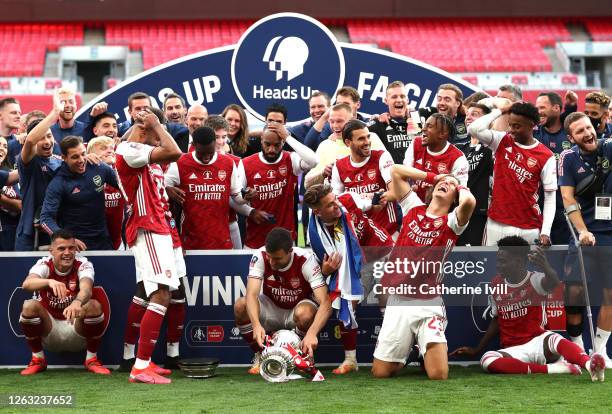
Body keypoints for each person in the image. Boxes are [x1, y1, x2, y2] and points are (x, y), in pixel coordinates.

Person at [371, 164, 476, 379]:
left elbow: (470, 202)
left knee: (438, 375)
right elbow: (396, 172)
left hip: (428, 302)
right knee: (380, 373)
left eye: (451, 186)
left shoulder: (453, 222)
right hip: (398, 300)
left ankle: (422, 348)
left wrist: (459, 184)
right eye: (442, 183)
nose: (446, 184)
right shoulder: (413, 208)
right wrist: (436, 176)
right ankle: (412, 350)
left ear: (455, 197)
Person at [451, 236, 605, 381]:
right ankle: (555, 369)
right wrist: (477, 349)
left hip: (539, 341)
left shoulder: (535, 279)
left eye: (503, 261)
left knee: (556, 339)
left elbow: (553, 282)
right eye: (498, 261)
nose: (498, 266)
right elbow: (497, 320)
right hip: (514, 350)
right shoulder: (496, 285)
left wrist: (545, 266)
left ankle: (589, 364)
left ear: (518, 261)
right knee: (487, 360)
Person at [115, 107, 182, 384]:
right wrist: (155, 124)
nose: (157, 136)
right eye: (151, 130)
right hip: (147, 228)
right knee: (161, 294)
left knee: (157, 292)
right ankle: (140, 366)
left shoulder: (143, 154)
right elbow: (175, 151)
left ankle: (144, 361)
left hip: (159, 228)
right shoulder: (129, 150)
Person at [304, 183, 393, 374]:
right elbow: (323, 270)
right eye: (329, 205)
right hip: (354, 268)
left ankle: (392, 352)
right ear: (318, 212)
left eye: (335, 199)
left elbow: (369, 202)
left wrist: (376, 199)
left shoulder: (347, 200)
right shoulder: (315, 236)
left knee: (386, 292)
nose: (337, 205)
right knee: (345, 302)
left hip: (383, 252)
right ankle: (350, 360)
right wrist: (326, 270)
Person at [234, 228, 332, 374]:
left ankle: (297, 356)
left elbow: (326, 302)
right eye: (269, 257)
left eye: (277, 258)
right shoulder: (260, 255)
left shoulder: (305, 260)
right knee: (241, 305)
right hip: (271, 307)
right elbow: (251, 295)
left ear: (290, 251)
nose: (272, 262)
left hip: (296, 310)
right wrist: (255, 324)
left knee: (306, 313)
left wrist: (312, 333)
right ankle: (261, 355)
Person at [559, 112, 612, 365]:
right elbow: (568, 198)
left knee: (610, 294)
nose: (588, 134)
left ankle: (600, 351)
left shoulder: (609, 147)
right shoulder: (567, 158)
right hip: (585, 233)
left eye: (589, 128)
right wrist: (582, 231)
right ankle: (577, 351)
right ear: (571, 137)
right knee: (574, 292)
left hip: (610, 234)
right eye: (580, 131)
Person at [19, 230, 111, 375]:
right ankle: (38, 359)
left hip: (75, 326)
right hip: (50, 329)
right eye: (61, 248)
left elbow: (86, 289)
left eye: (71, 248)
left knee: (93, 305)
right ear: (51, 251)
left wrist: (78, 302)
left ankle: (92, 359)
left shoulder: (83, 264)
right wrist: (49, 281)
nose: (67, 253)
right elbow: (27, 284)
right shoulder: (44, 264)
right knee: (29, 306)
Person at [468, 99, 557, 247]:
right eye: (510, 124)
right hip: (496, 223)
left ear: (532, 125)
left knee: (527, 271)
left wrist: (545, 231)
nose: (511, 130)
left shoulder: (546, 156)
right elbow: (473, 129)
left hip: (529, 227)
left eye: (516, 126)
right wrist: (500, 111)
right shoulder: (502, 140)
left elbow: (550, 197)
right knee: (493, 269)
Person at [165, 126, 248, 249]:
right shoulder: (180, 163)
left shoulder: (227, 163)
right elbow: (158, 186)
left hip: (221, 241)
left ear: (215, 144)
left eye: (210, 153)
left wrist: (246, 196)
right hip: (191, 242)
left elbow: (237, 197)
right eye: (202, 153)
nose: (206, 157)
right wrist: (167, 189)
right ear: (194, 145)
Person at [239, 126, 317, 249]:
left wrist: (288, 137)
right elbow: (234, 199)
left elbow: (313, 161)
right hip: (255, 239)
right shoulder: (245, 164)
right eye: (267, 144)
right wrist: (251, 211)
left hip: (285, 239)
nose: (271, 149)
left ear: (283, 142)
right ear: (261, 140)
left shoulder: (290, 159)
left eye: (277, 145)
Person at [40, 136, 119, 251]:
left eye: (83, 154)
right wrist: (66, 239)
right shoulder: (58, 183)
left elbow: (125, 186)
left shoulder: (98, 166)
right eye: (75, 157)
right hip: (76, 246)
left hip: (103, 241)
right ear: (64, 158)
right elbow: (45, 219)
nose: (81, 160)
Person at [331, 119, 398, 236]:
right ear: (348, 142)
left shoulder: (382, 156)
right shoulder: (339, 166)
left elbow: (395, 192)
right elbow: (336, 202)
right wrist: (362, 200)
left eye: (368, 137)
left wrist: (373, 196)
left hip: (388, 230)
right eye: (361, 139)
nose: (367, 142)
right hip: (359, 234)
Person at [15, 94, 64, 251]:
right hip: (29, 233)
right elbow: (29, 141)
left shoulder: (59, 161)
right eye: (41, 138)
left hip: (57, 230)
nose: (47, 141)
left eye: (49, 136)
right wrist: (55, 113)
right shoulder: (28, 161)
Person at [304, 103, 386, 188]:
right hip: (336, 199)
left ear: (352, 120)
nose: (335, 126)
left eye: (340, 121)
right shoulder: (325, 145)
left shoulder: (370, 138)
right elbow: (307, 184)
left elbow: (389, 168)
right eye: (331, 121)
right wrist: (323, 173)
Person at [403, 113, 469, 202]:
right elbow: (405, 173)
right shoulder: (416, 143)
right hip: (413, 204)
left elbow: (459, 194)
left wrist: (433, 189)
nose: (423, 129)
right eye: (424, 125)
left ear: (442, 134)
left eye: (429, 126)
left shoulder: (458, 158)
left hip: (439, 210)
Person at [535, 92, 572, 245]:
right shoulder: (534, 134)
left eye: (542, 107)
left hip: (566, 209)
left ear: (556, 108)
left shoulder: (571, 134)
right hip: (539, 208)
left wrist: (572, 108)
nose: (538, 112)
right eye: (536, 108)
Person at [456, 103, 493, 246]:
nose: (468, 118)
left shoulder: (492, 148)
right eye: (467, 115)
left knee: (475, 257)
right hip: (457, 211)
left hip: (480, 213)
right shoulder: (459, 149)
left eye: (474, 114)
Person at [86, 136, 125, 250]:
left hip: (119, 242)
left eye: (112, 148)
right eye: (103, 148)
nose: (110, 151)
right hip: (92, 241)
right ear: (90, 154)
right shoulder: (83, 173)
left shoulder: (121, 174)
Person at [367, 81, 418, 163]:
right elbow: (357, 131)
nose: (399, 100)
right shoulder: (378, 122)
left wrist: (414, 116)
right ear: (386, 101)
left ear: (407, 100)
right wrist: (373, 119)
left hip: (417, 173)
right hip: (391, 174)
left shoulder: (417, 119)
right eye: (394, 97)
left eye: (402, 96)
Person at [304, 86, 369, 150]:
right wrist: (324, 117)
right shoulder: (331, 126)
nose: (342, 107)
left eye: (346, 104)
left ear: (357, 105)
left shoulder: (368, 123)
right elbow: (309, 146)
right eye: (338, 104)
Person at [0, 135, 21, 251]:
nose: (2, 149)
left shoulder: (10, 175)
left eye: (5, 146)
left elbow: (20, 206)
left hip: (8, 233)